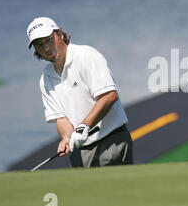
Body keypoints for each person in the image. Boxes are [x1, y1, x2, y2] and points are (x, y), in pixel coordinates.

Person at [26, 17, 133, 167]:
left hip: (111, 142)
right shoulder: (46, 79)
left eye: (48, 40)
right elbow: (61, 119)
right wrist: (66, 138)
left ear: (60, 34)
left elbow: (109, 96)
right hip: (80, 152)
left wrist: (84, 126)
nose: (46, 48)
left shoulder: (86, 56)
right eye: (39, 45)